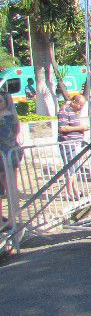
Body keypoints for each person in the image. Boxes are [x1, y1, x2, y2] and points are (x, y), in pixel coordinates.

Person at [58, 95, 89, 200]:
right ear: (74, 102)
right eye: (80, 105)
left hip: (75, 143)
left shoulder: (73, 112)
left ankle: (76, 192)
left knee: (74, 170)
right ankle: (70, 193)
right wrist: (81, 128)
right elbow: (63, 128)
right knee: (70, 170)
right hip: (68, 144)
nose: (81, 108)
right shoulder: (64, 111)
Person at [0, 92, 19, 228]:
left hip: (7, 156)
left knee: (11, 190)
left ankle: (12, 220)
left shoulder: (9, 117)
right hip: (4, 155)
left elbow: (9, 137)